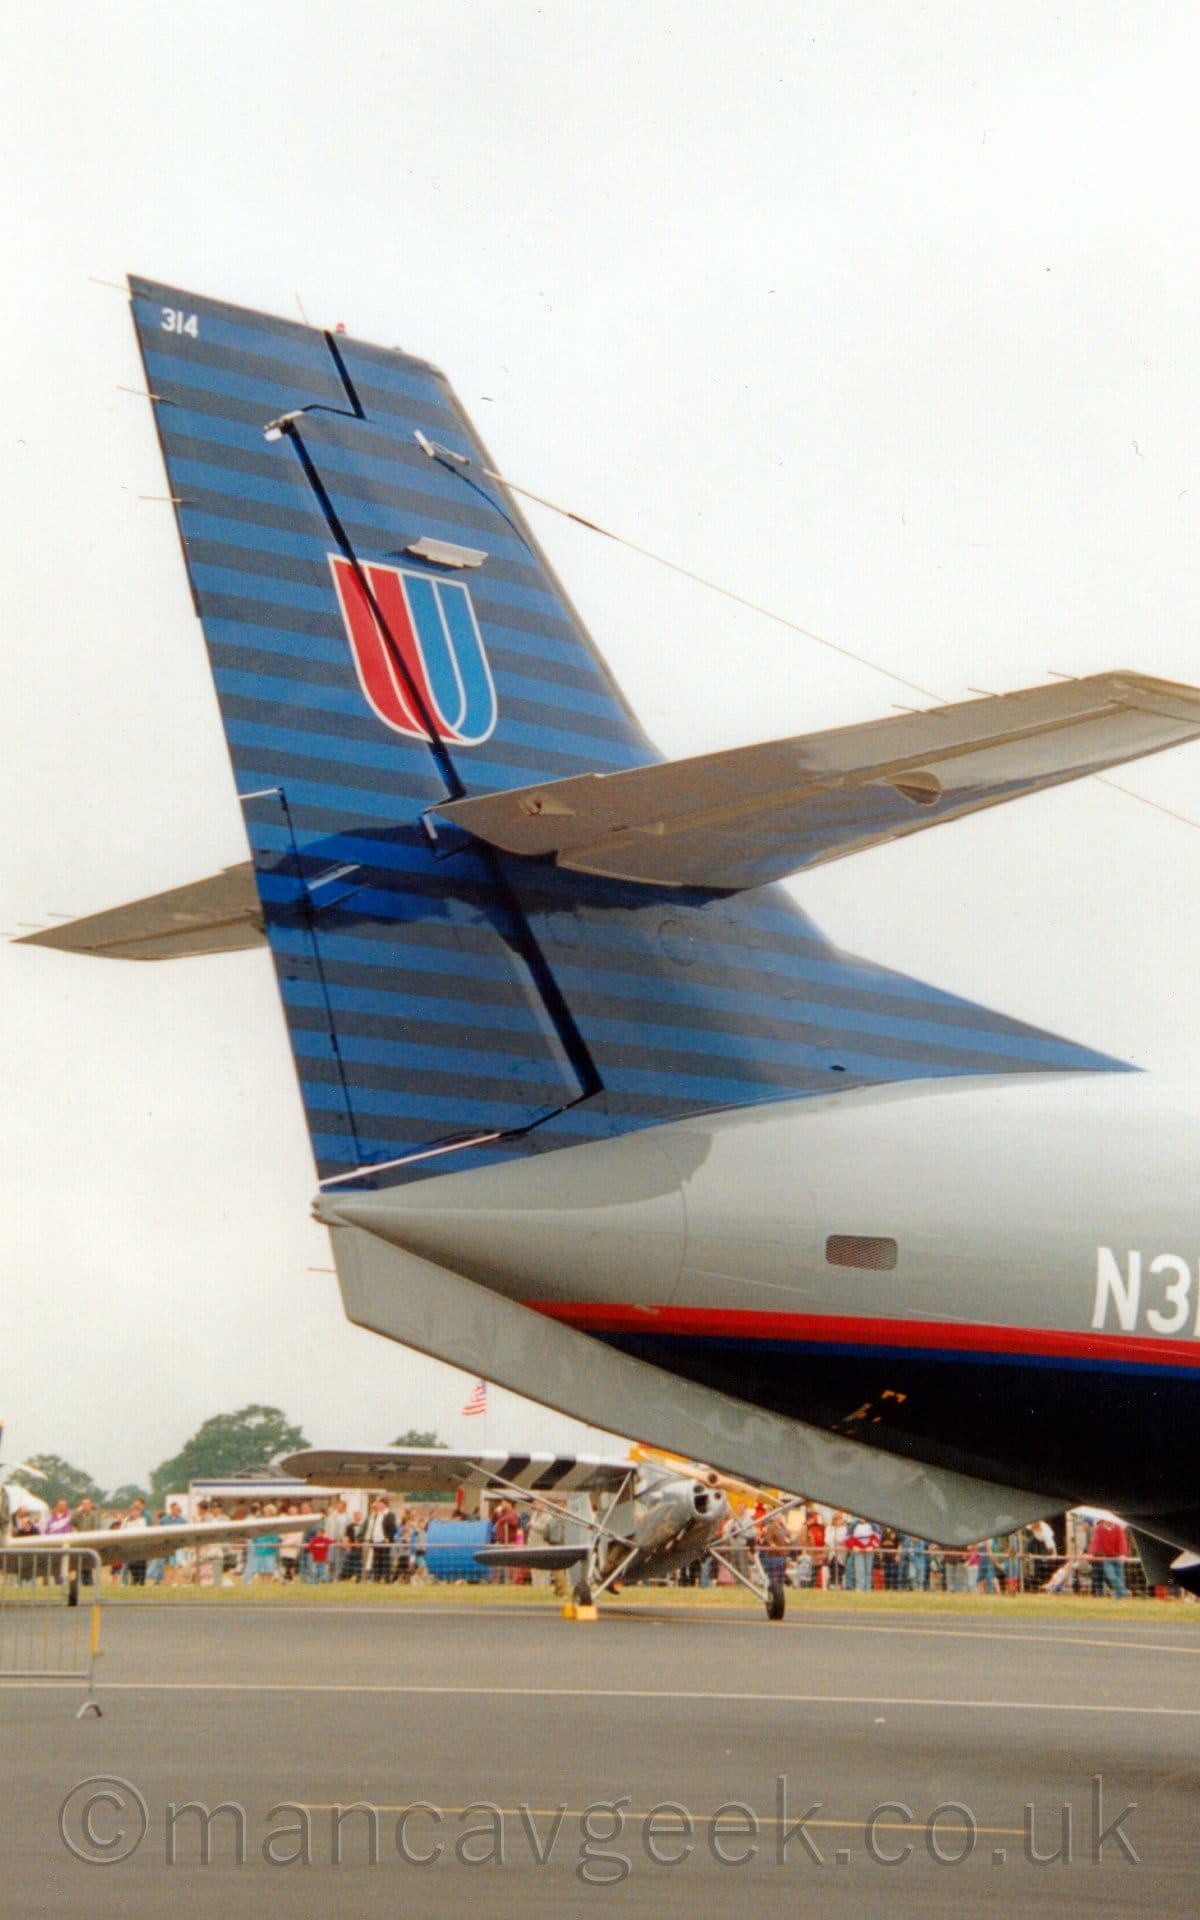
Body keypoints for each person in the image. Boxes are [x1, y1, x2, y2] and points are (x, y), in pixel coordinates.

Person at [1089, 1514, 1129, 1597]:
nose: (1109, 1521)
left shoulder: (1118, 1528)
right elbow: (1095, 1541)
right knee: (1111, 1576)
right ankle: (1124, 1591)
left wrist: (1123, 1554)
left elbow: (1122, 1541)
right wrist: (1091, 1553)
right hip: (1108, 1557)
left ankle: (1117, 1598)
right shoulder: (1099, 1528)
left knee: (1120, 1576)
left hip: (1118, 1557)